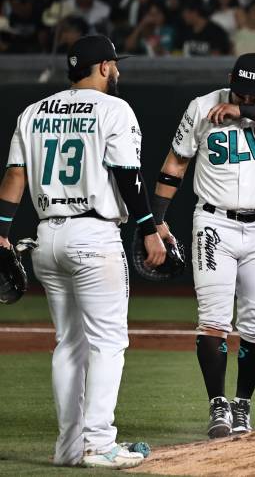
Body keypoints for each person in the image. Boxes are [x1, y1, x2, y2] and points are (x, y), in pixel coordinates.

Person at [0, 35, 166, 468]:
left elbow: (15, 175)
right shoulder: (114, 109)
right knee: (108, 342)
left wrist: (0, 231)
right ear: (105, 67)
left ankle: (69, 448)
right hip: (93, 235)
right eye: (115, 64)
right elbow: (129, 175)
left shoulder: (33, 112)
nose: (118, 71)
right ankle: (99, 443)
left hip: (46, 236)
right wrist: (149, 228)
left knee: (68, 344)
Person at [151, 53, 255, 437]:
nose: (247, 99)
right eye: (240, 93)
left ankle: (243, 405)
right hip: (213, 222)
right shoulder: (202, 106)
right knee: (214, 318)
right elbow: (176, 162)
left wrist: (245, 112)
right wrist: (156, 219)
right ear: (229, 80)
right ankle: (217, 405)